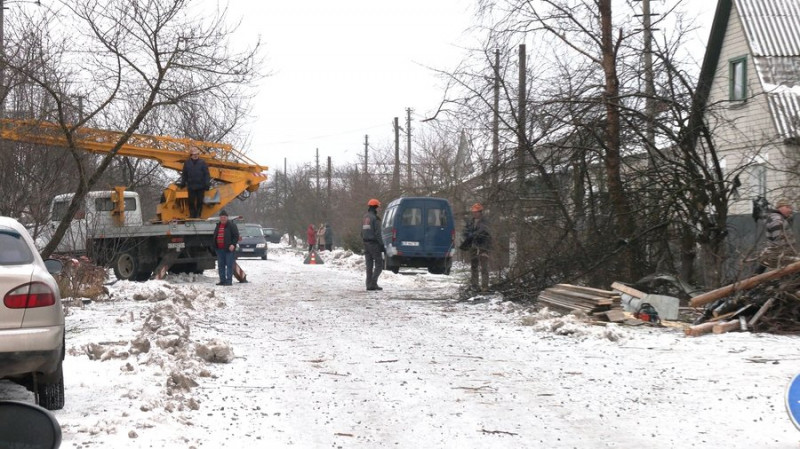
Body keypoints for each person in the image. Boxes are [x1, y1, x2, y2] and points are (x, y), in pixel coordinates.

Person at [758, 198, 797, 271]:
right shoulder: (777, 219)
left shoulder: (778, 218)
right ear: (780, 207)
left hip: (782, 256)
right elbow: (778, 241)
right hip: (781, 257)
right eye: (787, 207)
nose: (790, 210)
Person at [461, 202, 491, 292]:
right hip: (473, 246)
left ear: (480, 212)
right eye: (473, 212)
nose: (474, 213)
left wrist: (473, 234)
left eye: (476, 212)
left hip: (483, 247)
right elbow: (465, 231)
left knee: (484, 267)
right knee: (474, 267)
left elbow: (483, 231)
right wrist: (466, 235)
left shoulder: (485, 222)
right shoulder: (471, 222)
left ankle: (485, 287)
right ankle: (475, 286)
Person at [180, 147, 211, 219]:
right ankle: (192, 214)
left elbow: (206, 174)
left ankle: (198, 214)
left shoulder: (202, 162)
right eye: (194, 154)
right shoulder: (187, 163)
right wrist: (183, 182)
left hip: (201, 186)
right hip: (191, 186)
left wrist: (207, 183)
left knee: (200, 201)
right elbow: (184, 174)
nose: (196, 155)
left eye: (197, 154)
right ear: (191, 155)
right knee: (191, 201)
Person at [361, 198, 384, 291]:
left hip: (366, 243)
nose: (379, 208)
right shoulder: (375, 218)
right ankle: (373, 283)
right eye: (378, 207)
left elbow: (362, 232)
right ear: (375, 207)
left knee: (369, 265)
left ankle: (368, 284)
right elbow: (378, 233)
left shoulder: (365, 217)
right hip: (374, 244)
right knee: (379, 264)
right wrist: (382, 245)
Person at [213, 209, 239, 286]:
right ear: (220, 218)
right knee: (221, 266)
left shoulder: (232, 225)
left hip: (228, 249)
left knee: (229, 265)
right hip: (219, 249)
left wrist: (233, 244)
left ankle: (229, 281)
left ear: (227, 217)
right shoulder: (218, 225)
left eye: (224, 217)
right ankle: (222, 280)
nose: (223, 219)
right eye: (221, 217)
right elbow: (215, 235)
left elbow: (236, 236)